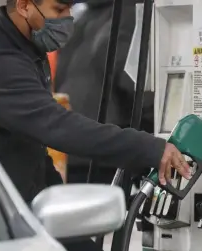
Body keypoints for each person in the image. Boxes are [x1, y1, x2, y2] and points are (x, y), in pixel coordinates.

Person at [0, 0, 190, 250]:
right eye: (59, 10)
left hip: (14, 213)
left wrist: (62, 205)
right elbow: (60, 127)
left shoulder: (20, 46)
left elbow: (31, 147)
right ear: (24, 6)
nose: (67, 19)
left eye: (69, 9)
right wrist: (149, 148)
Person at [55, 0, 155, 184]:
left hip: (70, 147)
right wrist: (157, 122)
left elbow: (58, 78)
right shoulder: (128, 13)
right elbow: (130, 80)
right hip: (106, 152)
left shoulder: (81, 19)